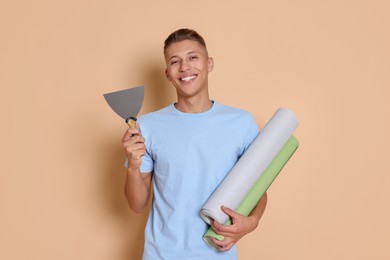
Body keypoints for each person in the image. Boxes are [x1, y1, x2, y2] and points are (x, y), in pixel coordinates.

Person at [122, 28, 268, 260]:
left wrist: (253, 221)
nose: (185, 67)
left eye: (193, 57)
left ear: (209, 63)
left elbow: (259, 185)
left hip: (218, 254)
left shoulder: (241, 122)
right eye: (175, 61)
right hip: (161, 254)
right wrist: (132, 166)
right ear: (168, 73)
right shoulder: (147, 126)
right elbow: (137, 205)